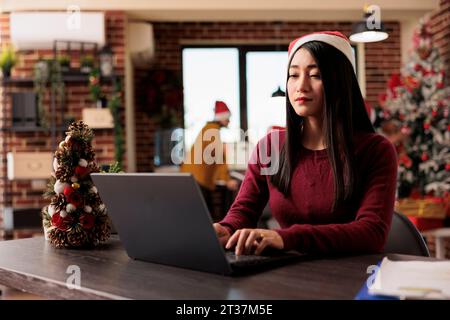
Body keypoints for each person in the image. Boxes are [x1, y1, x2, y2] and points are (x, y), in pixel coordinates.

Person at [213, 31, 398, 256]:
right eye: (293, 75)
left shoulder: (376, 150)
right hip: (289, 276)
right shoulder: (269, 147)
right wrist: (226, 228)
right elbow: (243, 211)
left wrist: (287, 238)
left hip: (353, 279)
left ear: (340, 82)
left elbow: (372, 233)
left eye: (316, 75)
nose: (301, 86)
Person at [180, 101, 239, 217]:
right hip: (197, 179)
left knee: (201, 215)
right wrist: (227, 180)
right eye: (228, 117)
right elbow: (218, 158)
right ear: (221, 118)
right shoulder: (212, 131)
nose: (229, 121)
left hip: (194, 177)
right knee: (205, 217)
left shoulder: (209, 129)